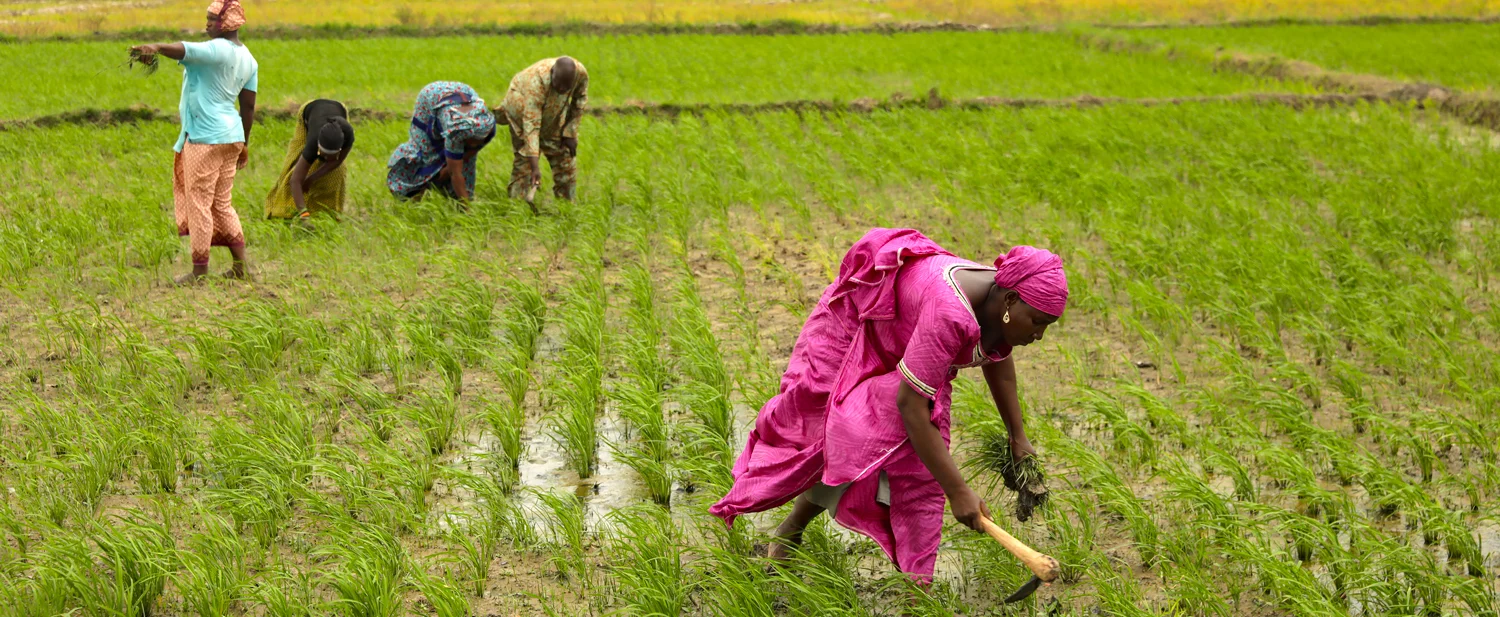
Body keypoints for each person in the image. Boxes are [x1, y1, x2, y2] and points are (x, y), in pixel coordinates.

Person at [709, 228, 1067, 582]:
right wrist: (958, 492)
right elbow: (911, 406)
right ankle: (791, 528)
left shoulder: (997, 299)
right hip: (856, 328)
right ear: (1008, 302)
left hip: (911, 349)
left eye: (1047, 326)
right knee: (837, 435)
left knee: (919, 473)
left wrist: (1017, 436)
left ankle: (916, 586)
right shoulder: (952, 311)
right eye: (1037, 322)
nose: (1038, 335)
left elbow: (996, 354)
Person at [129, 0, 257, 284]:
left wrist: (157, 48)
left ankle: (199, 271)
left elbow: (186, 48)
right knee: (222, 203)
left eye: (212, 20)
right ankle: (241, 267)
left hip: (205, 137)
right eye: (208, 18)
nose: (207, 24)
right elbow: (247, 108)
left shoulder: (215, 50)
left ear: (227, 23)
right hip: (232, 137)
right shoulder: (249, 58)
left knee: (198, 202)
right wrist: (244, 143)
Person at [386, 82, 496, 204]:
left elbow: (470, 153)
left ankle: (459, 203)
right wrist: (450, 169)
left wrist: (450, 167)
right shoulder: (455, 133)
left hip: (460, 93)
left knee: (465, 164)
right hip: (430, 99)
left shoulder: (487, 125)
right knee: (428, 156)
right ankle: (416, 197)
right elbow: (455, 173)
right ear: (464, 136)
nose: (475, 145)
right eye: (472, 141)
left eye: (478, 142)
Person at [502, 56, 588, 210]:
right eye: (558, 86)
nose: (562, 90)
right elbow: (531, 127)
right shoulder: (537, 82)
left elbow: (579, 100)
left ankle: (566, 207)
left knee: (565, 157)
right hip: (521, 108)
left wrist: (570, 132)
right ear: (552, 73)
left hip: (553, 115)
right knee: (524, 161)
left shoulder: (580, 74)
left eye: (566, 88)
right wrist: (535, 167)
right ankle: (517, 208)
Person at [264, 99, 354, 223]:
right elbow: (295, 180)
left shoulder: (348, 135)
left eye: (331, 155)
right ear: (318, 146)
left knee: (337, 172)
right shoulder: (312, 142)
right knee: (294, 163)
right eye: (323, 154)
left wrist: (311, 179)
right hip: (309, 111)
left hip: (339, 108)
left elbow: (337, 162)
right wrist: (304, 214)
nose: (326, 159)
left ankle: (330, 214)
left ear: (339, 148)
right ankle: (283, 210)